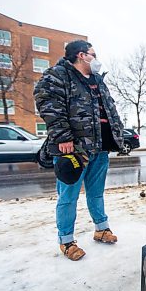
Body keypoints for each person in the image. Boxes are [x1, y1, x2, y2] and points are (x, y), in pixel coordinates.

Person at [35, 40, 125, 261]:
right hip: (73, 149)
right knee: (68, 197)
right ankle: (66, 241)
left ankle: (102, 229)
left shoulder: (97, 80)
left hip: (100, 147)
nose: (97, 58)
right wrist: (63, 137)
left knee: (96, 192)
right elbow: (48, 105)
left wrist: (118, 136)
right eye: (94, 54)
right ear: (82, 55)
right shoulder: (57, 75)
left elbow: (110, 111)